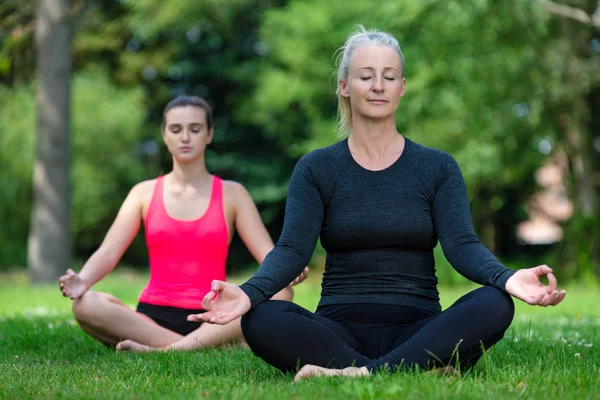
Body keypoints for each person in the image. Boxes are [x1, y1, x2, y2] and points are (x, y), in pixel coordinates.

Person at [189, 26, 567, 381]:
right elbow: (292, 249)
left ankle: (359, 372)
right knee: (262, 318)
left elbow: (462, 246)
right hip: (338, 329)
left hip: (419, 327)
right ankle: (415, 368)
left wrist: (507, 277)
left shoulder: (437, 167)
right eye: (365, 75)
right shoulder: (316, 168)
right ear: (344, 86)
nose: (378, 86)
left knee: (495, 304)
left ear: (402, 87)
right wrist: (250, 292)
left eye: (389, 76)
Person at [58, 95, 309, 352]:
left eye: (195, 129)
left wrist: (289, 268)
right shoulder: (143, 193)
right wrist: (83, 280)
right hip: (152, 317)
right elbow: (108, 251)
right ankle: (205, 347)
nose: (185, 137)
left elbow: (268, 255)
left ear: (209, 134)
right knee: (85, 304)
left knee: (282, 293)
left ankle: (167, 350)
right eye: (176, 129)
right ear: (165, 135)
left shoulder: (233, 194)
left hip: (216, 314)